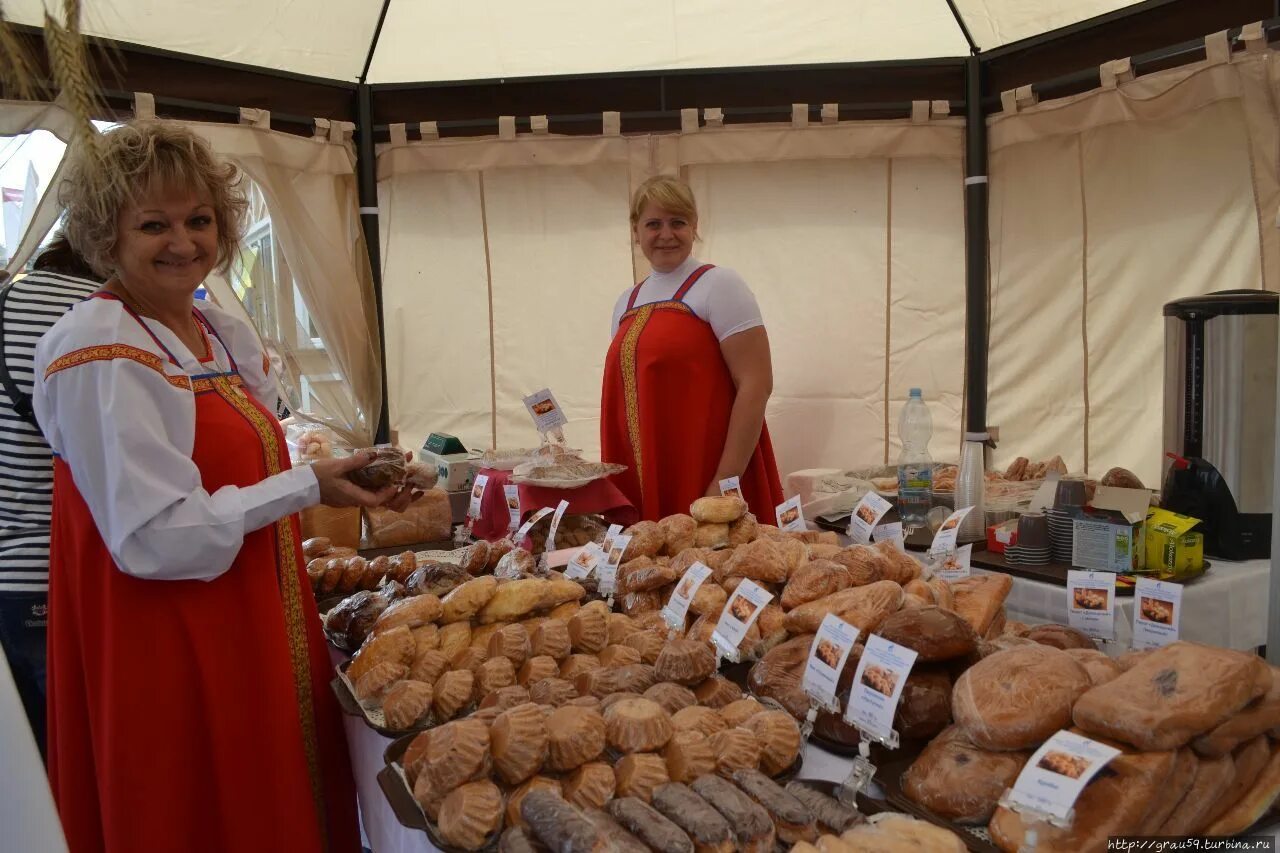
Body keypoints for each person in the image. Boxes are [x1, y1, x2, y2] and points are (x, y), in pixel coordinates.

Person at [33, 121, 410, 853]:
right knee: (201, 810)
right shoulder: (101, 346)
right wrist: (298, 488)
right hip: (172, 636)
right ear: (106, 237)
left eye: (199, 219)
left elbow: (238, 470)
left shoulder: (203, 328)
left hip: (247, 611)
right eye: (154, 224)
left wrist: (326, 483)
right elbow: (156, 537)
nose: (183, 240)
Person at [601, 175, 783, 521]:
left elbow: (756, 385)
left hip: (706, 469)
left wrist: (724, 485)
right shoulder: (626, 301)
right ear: (635, 230)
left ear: (695, 226)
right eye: (653, 224)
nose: (666, 234)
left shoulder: (719, 285)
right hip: (644, 474)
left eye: (678, 222)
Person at [0, 232, 102, 760]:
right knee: (80, 755)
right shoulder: (86, 314)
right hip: (54, 570)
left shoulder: (8, 301)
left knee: (31, 764)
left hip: (6, 576)